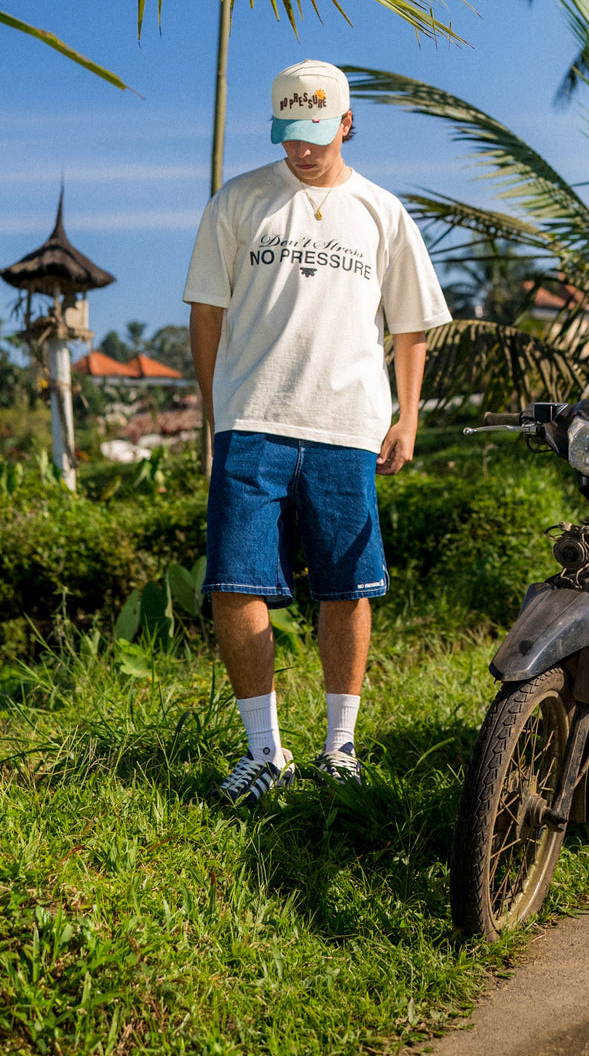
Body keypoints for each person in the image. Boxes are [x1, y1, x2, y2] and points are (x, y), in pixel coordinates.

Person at [184, 59, 451, 808]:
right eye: (287, 135)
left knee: (348, 585)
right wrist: (217, 411)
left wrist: (409, 416)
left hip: (347, 426)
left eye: (314, 134)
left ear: (346, 122)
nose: (300, 150)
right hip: (252, 422)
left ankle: (341, 747)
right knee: (234, 583)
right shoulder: (239, 202)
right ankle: (265, 754)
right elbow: (206, 312)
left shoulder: (381, 212)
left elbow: (410, 325)